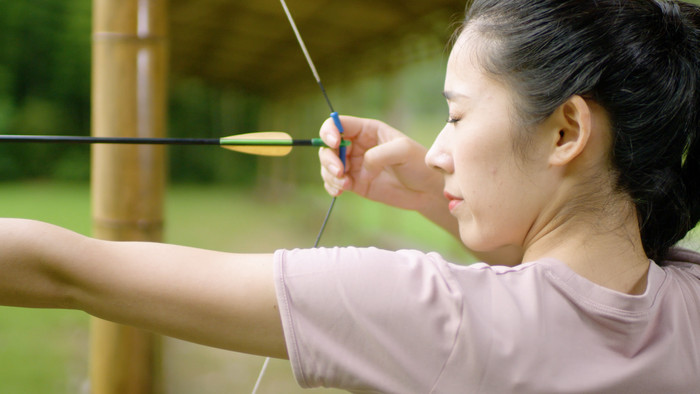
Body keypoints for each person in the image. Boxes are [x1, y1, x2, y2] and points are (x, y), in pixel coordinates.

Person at [2, 0, 700, 392]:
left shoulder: (437, 317)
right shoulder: (688, 306)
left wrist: (435, 188)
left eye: (456, 116)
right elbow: (565, 289)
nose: (436, 149)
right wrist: (435, 190)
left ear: (566, 129)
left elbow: (64, 267)